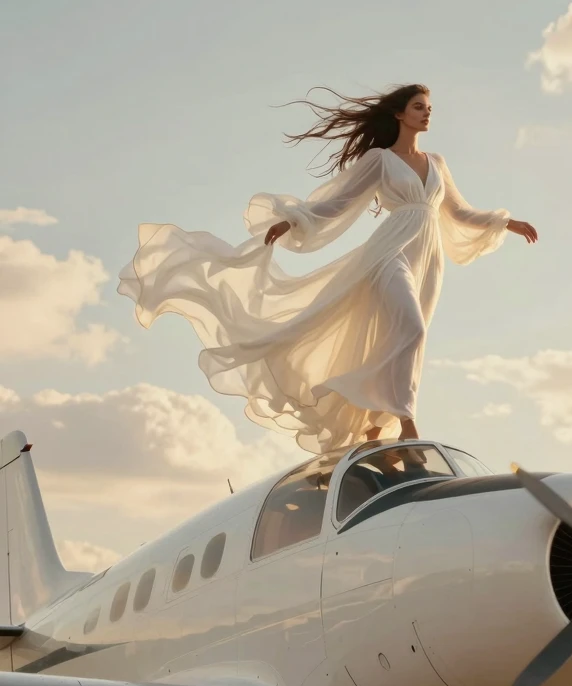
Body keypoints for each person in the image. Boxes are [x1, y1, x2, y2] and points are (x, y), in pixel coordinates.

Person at [118, 84, 538, 454]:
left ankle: (373, 424)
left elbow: (459, 212)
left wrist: (506, 222)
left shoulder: (438, 163)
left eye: (429, 108)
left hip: (427, 260)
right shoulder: (380, 160)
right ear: (398, 114)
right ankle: (406, 425)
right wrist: (293, 220)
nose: (427, 112)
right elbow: (337, 203)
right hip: (389, 253)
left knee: (400, 336)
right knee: (411, 327)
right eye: (418, 106)